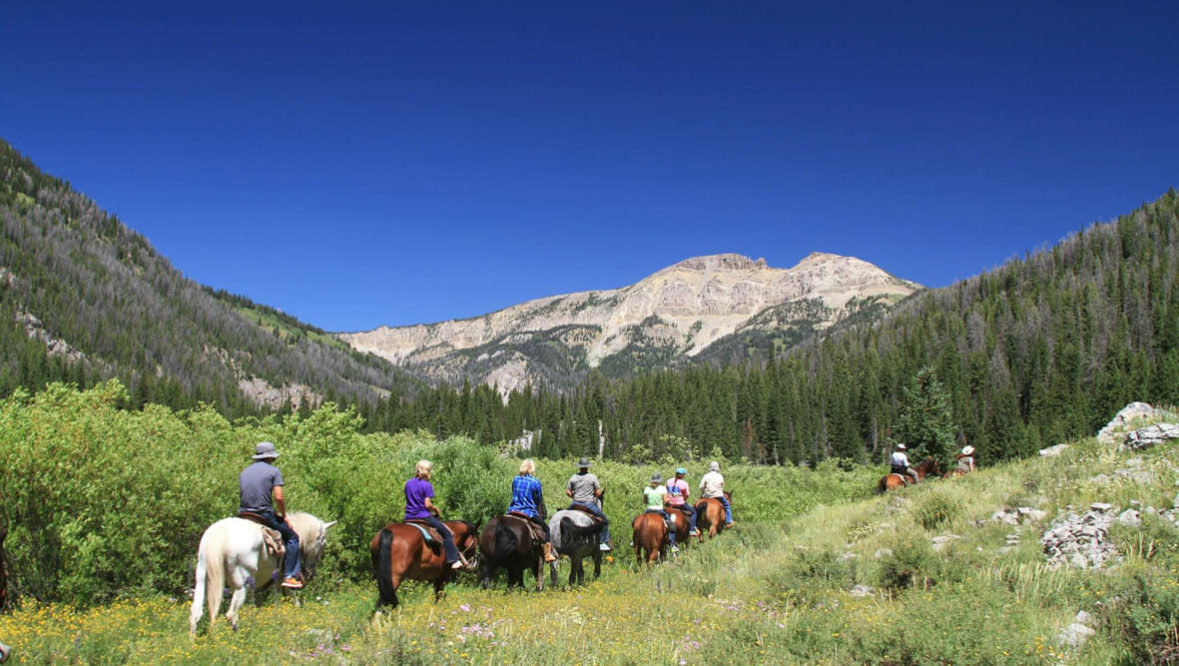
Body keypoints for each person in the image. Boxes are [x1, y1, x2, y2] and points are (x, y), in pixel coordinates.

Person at [239, 441, 303, 589]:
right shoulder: (273, 471)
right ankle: (290, 576)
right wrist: (284, 514)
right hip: (263, 514)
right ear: (270, 457)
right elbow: (279, 497)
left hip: (244, 513)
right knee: (293, 538)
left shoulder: (245, 472)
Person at [405, 459, 465, 569]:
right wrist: (435, 509)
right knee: (447, 533)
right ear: (427, 471)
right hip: (423, 516)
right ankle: (454, 560)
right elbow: (427, 505)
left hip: (408, 517)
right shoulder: (427, 485)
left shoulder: (408, 483)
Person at [508, 459, 558, 562]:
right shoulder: (535, 482)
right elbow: (538, 500)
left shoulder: (515, 479)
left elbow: (514, 492)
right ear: (532, 469)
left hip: (513, 510)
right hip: (528, 512)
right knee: (546, 528)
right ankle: (547, 555)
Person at [566, 456, 611, 551]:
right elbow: (598, 493)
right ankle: (603, 542)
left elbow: (568, 492)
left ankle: (563, 540)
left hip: (575, 504)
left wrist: (574, 496)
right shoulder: (592, 477)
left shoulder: (573, 477)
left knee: (564, 519)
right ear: (587, 467)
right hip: (588, 504)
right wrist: (596, 494)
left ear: (579, 467)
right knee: (605, 521)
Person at [643, 473, 678, 553]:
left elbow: (645, 501)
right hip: (659, 510)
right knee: (672, 526)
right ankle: (672, 545)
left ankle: (635, 541)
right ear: (659, 481)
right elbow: (665, 500)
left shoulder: (647, 489)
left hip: (648, 510)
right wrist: (669, 500)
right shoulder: (662, 488)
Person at [699, 461, 735, 527]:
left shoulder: (706, 476)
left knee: (698, 505)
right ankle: (728, 521)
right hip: (718, 495)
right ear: (717, 468)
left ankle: (696, 522)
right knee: (727, 505)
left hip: (707, 495)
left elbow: (701, 486)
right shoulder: (720, 476)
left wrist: (704, 489)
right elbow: (722, 485)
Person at [666, 467, 700, 536]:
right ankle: (692, 529)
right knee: (694, 512)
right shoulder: (684, 483)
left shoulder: (669, 481)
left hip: (669, 504)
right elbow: (687, 494)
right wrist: (683, 499)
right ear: (682, 475)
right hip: (680, 504)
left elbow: (666, 491)